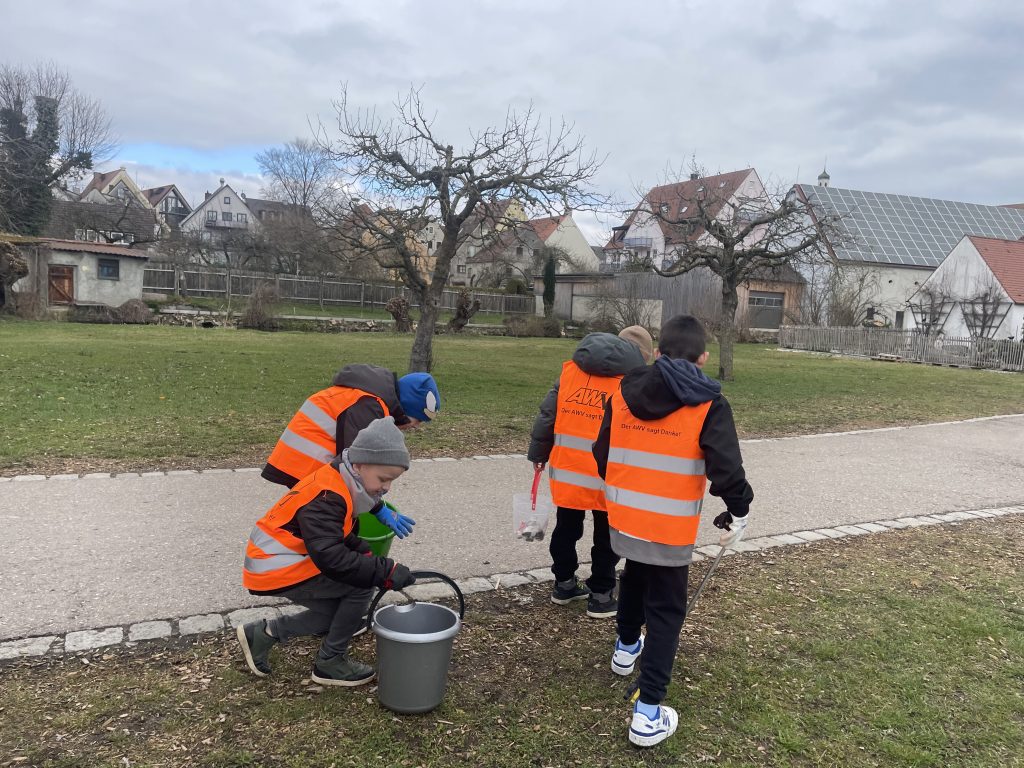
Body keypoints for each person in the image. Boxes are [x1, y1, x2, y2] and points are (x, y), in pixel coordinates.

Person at [592, 315, 754, 747]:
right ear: (703, 358)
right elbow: (726, 468)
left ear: (659, 353)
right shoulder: (710, 404)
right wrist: (739, 510)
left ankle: (626, 647)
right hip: (670, 525)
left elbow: (601, 452)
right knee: (665, 611)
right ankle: (648, 714)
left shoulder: (622, 392)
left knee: (634, 576)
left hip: (625, 516)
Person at [237, 416, 419, 686]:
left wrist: (364, 553)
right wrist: (385, 571)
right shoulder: (327, 496)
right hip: (277, 566)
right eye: (384, 478)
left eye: (392, 481)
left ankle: (263, 634)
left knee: (341, 613)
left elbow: (337, 534)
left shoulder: (339, 480)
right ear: (360, 464)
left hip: (286, 560)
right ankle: (331, 661)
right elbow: (331, 557)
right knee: (360, 589)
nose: (387, 487)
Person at [527, 326, 654, 619]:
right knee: (607, 536)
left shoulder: (571, 372)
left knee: (566, 528)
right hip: (610, 473)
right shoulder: (634, 382)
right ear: (642, 355)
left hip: (569, 469)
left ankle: (564, 584)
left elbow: (548, 414)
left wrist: (538, 454)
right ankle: (601, 594)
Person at [262, 364, 440, 488]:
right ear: (407, 406)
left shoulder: (369, 398)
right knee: (326, 519)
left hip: (301, 462)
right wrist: (376, 507)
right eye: (418, 419)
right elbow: (354, 459)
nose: (416, 426)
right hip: (306, 465)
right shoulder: (370, 404)